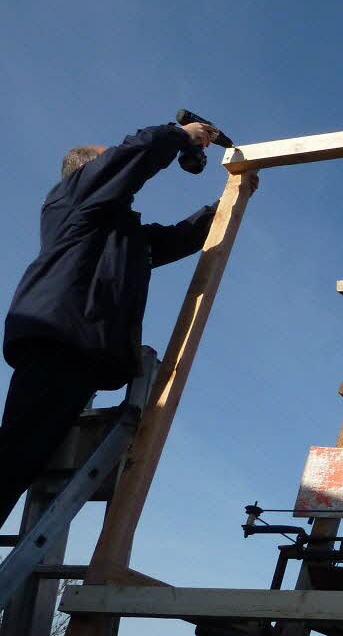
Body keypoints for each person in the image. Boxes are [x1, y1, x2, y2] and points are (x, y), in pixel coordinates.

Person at [0, 120, 255, 525]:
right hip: (59, 341)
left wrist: (228, 199)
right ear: (88, 173)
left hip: (81, 351)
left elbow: (179, 239)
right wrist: (180, 134)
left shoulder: (120, 236)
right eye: (108, 166)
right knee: (15, 454)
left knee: (26, 457)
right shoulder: (73, 199)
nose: (116, 173)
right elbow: (132, 158)